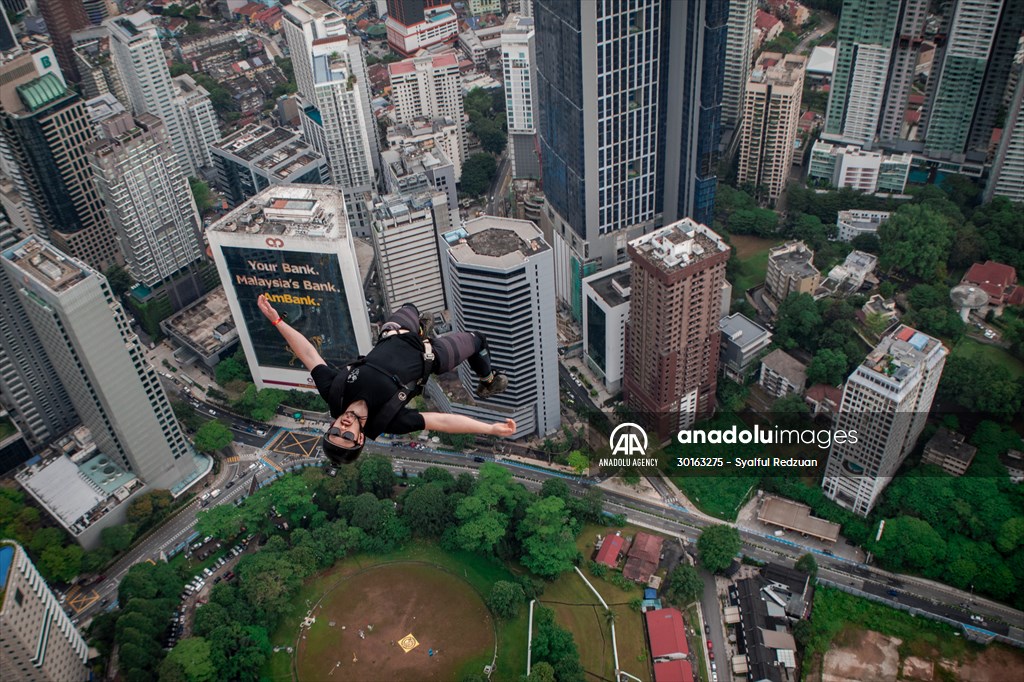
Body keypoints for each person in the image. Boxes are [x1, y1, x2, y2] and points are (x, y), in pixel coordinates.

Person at [257, 294, 514, 465]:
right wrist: (489, 428)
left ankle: (422, 330)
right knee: (478, 340)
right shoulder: (389, 421)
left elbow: (308, 354)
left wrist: (277, 320)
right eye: (346, 436)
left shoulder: (334, 392)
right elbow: (442, 421)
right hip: (432, 356)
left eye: (334, 431)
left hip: (393, 335)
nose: (342, 427)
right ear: (359, 440)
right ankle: (489, 381)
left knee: (410, 307)